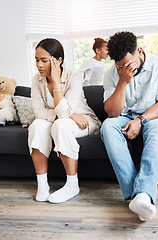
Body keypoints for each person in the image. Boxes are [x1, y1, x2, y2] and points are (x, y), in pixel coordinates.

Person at [100, 31, 158, 221]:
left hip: (152, 116)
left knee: (157, 129)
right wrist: (122, 82)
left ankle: (143, 194)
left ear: (139, 51)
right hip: (124, 116)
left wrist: (141, 120)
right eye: (119, 65)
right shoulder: (112, 73)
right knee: (107, 127)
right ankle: (140, 197)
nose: (123, 68)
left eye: (127, 64)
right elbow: (112, 113)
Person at [28, 38, 101, 204]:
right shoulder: (36, 79)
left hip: (84, 121)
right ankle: (42, 184)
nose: (39, 65)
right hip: (64, 119)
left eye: (44, 60)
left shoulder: (73, 76)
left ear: (58, 60)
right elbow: (38, 112)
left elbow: (62, 114)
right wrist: (70, 114)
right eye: (37, 60)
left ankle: (72, 184)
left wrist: (55, 82)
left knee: (61, 124)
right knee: (37, 126)